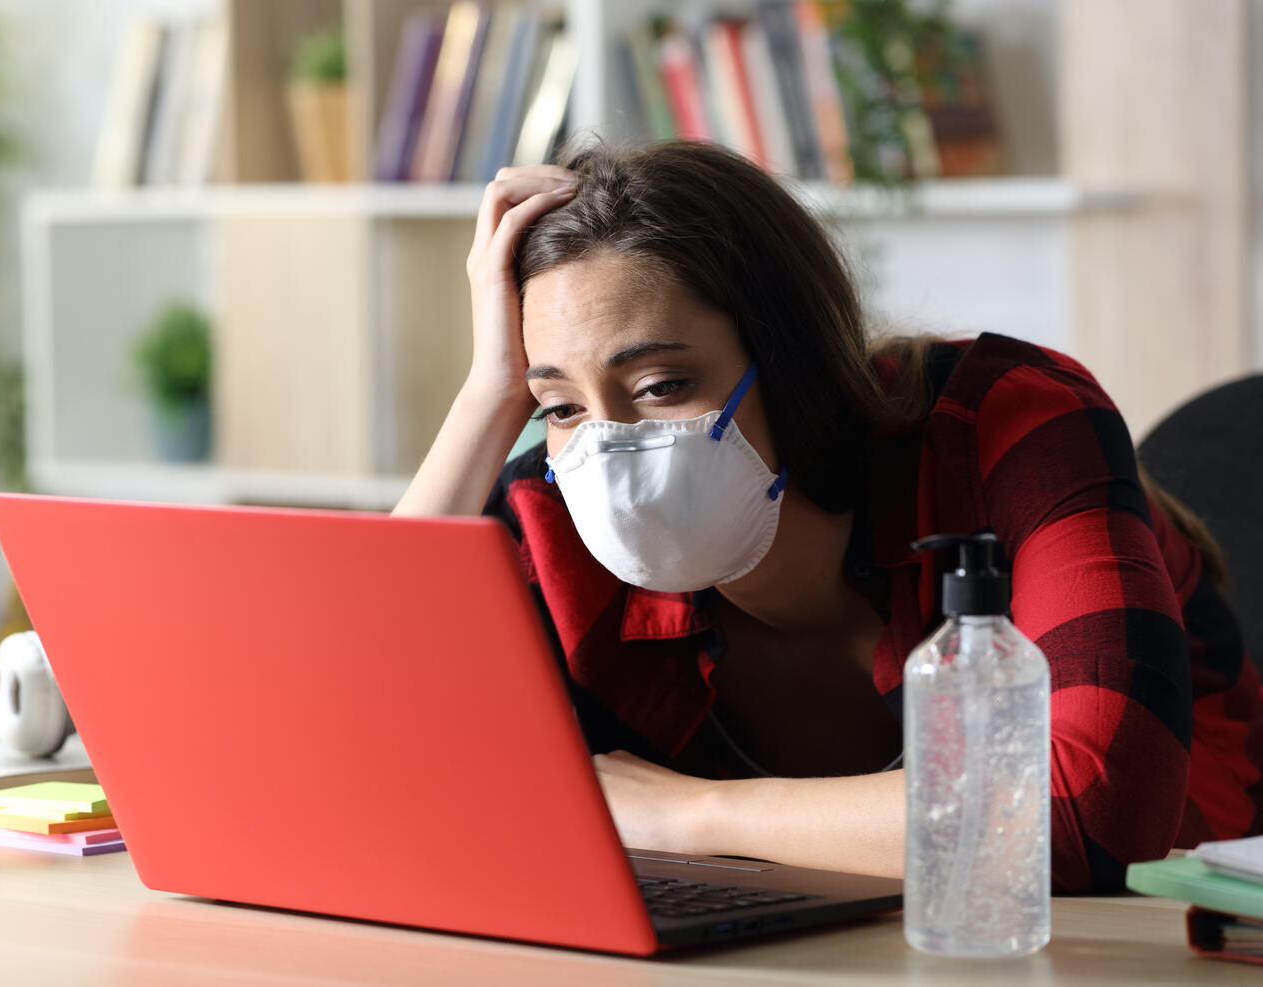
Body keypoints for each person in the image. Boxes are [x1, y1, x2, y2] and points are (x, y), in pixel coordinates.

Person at [392, 140, 1262, 893]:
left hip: (1153, 932)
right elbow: (347, 743)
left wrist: (689, 811)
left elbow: (1084, 815)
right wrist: (489, 395)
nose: (609, 449)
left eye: (661, 386)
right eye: (564, 405)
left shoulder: (1010, 421)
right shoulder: (548, 509)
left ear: (793, 366)